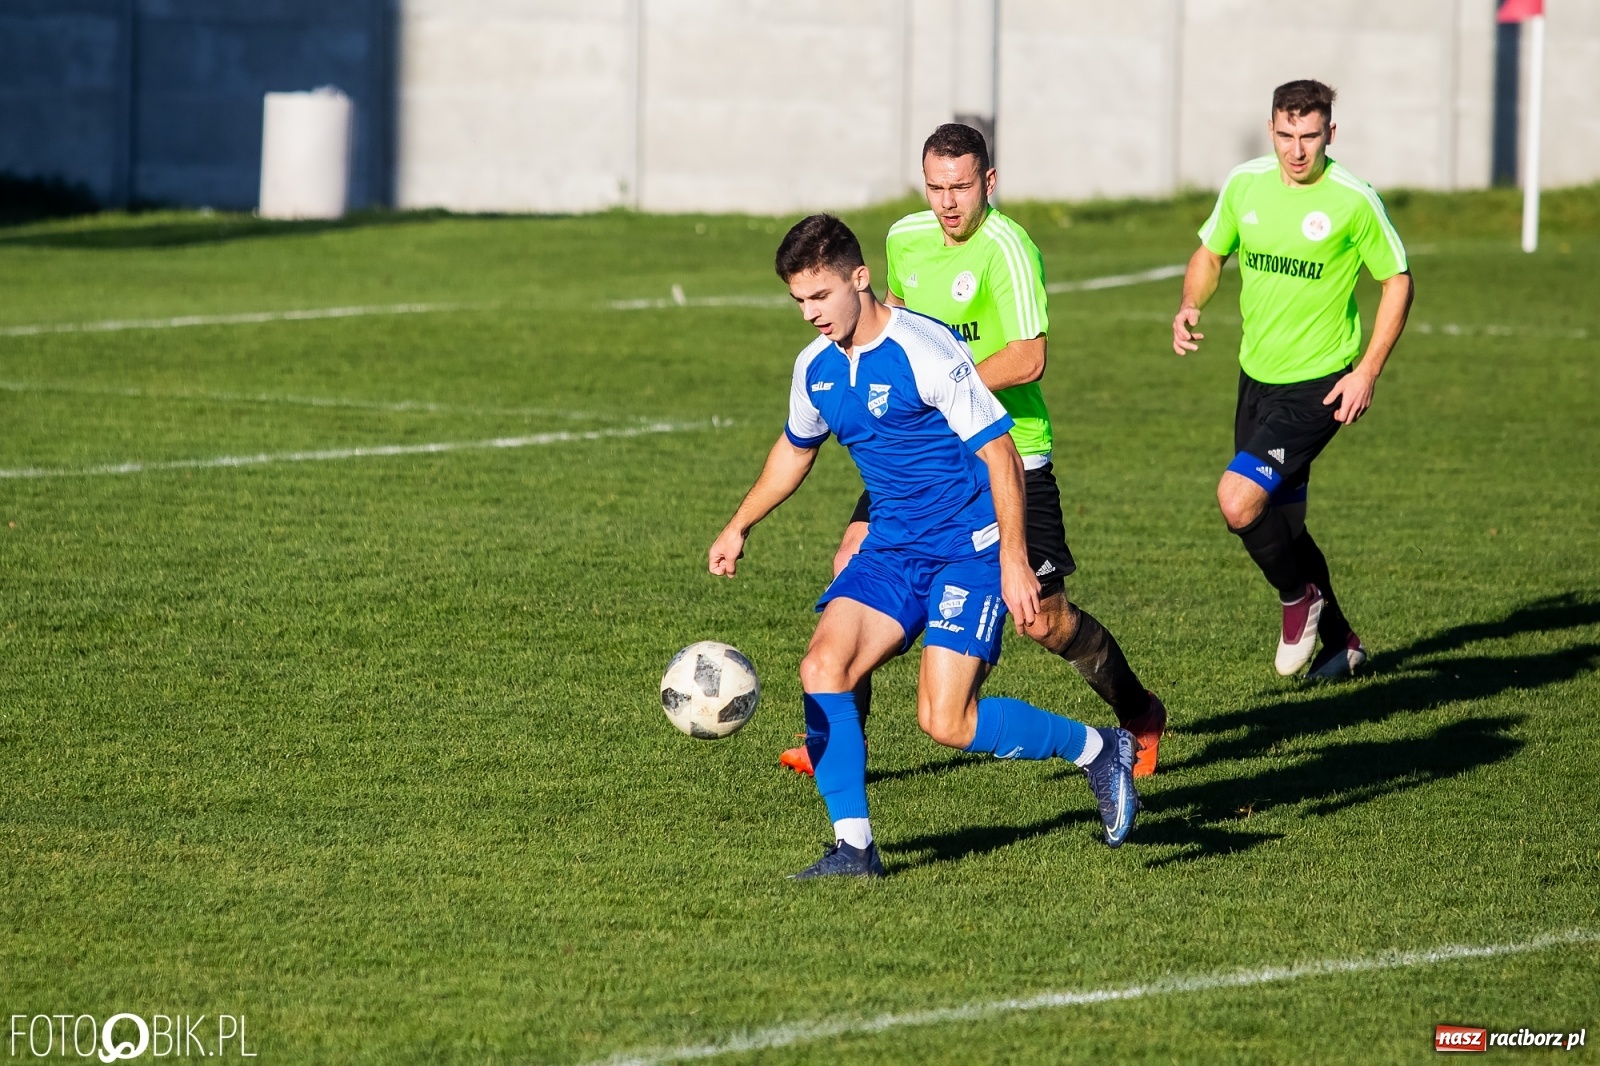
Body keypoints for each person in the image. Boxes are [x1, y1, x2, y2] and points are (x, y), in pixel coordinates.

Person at [710, 214, 1138, 879]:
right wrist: (740, 525)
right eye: (799, 300)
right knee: (823, 667)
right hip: (893, 548)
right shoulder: (815, 367)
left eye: (820, 295)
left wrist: (1014, 558)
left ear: (859, 278)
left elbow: (1001, 454)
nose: (810, 313)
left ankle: (1098, 749)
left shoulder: (924, 349)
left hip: (970, 547)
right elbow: (795, 451)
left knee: (946, 721)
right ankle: (855, 849)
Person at [779, 123, 1167, 780]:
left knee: (1042, 620)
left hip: (1008, 452)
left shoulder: (1008, 248)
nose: (948, 202)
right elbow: (890, 322)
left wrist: (941, 390)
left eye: (960, 187)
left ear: (988, 182)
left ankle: (1138, 713)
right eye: (936, 187)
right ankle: (839, 740)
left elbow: (1029, 357)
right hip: (918, 454)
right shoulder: (905, 238)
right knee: (850, 557)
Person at [1172, 80, 1414, 679]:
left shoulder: (1353, 199)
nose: (1296, 150)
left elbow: (1397, 280)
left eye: (1309, 136)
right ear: (1271, 129)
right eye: (1286, 135)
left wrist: (1367, 371)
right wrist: (1190, 303)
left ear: (1330, 133)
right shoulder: (1244, 183)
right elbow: (1210, 254)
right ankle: (1340, 643)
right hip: (1256, 379)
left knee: (1237, 499)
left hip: (1320, 385)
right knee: (1283, 525)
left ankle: (1297, 599)